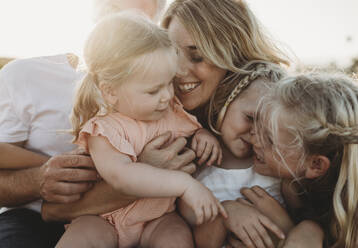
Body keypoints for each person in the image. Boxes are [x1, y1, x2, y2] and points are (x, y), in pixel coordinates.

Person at [0, 1, 178, 248]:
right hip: (33, 218)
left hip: (137, 217)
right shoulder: (23, 75)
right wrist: (40, 176)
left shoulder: (162, 82)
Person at [55, 12, 226, 248]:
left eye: (168, 83)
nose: (167, 96)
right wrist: (185, 185)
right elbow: (122, 177)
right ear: (110, 91)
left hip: (157, 217)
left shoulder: (172, 112)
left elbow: (191, 129)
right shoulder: (103, 130)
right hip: (104, 219)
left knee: (176, 237)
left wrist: (202, 136)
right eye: (153, 91)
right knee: (82, 236)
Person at [250, 72, 358, 248]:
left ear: (315, 165)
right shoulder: (293, 185)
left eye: (269, 140)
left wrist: (288, 227)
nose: (254, 140)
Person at [178, 61, 291, 248]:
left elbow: (300, 223)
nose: (256, 133)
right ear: (224, 101)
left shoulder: (276, 169)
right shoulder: (197, 162)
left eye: (268, 127)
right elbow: (196, 238)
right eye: (250, 118)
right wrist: (226, 214)